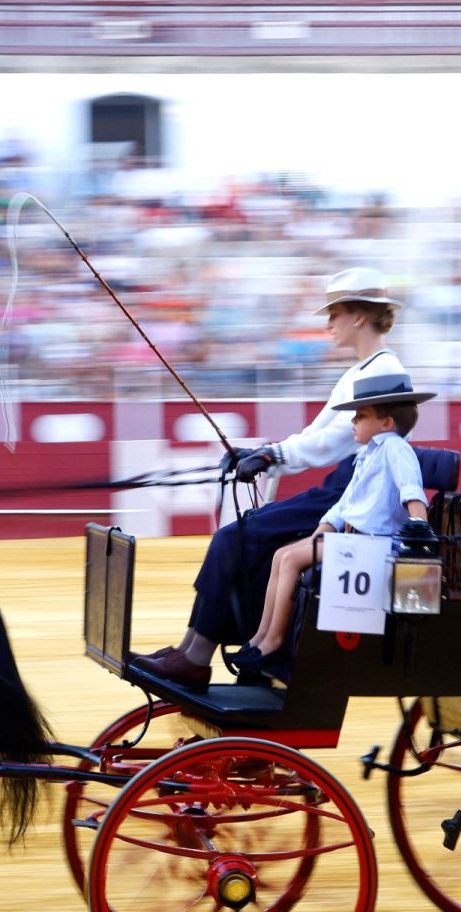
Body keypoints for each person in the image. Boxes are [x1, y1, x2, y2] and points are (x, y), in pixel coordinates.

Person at [131, 267, 408, 688]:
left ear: (358, 316)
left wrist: (272, 456)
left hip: (354, 494)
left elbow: (333, 441)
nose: (328, 323)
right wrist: (264, 454)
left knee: (233, 538)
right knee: (239, 536)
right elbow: (318, 435)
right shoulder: (362, 370)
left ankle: (196, 655)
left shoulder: (379, 371)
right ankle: (189, 649)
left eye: (334, 313)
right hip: (345, 486)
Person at [228, 374, 436, 683]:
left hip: (375, 547)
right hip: (356, 542)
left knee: (290, 560)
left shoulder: (395, 450)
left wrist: (419, 527)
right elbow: (344, 506)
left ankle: (272, 642)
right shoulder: (369, 455)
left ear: (386, 423)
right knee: (282, 555)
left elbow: (411, 491)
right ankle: (260, 639)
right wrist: (318, 535)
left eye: (360, 415)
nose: (353, 421)